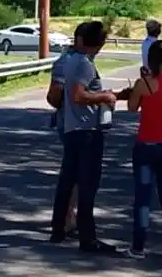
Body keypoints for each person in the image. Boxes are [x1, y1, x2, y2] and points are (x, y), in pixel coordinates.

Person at [49, 21, 121, 254]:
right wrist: (103, 97)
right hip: (87, 129)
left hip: (72, 127)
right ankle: (87, 237)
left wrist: (107, 95)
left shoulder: (70, 61)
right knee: (87, 184)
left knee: (68, 180)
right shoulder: (85, 65)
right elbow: (79, 96)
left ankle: (58, 228)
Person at [123, 40, 162, 260]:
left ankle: (138, 246)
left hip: (146, 143)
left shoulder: (144, 83)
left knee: (143, 198)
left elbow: (131, 107)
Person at [45, 22, 88, 239]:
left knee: (77, 174)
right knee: (72, 175)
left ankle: (69, 218)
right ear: (80, 40)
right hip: (71, 124)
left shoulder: (83, 60)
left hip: (81, 124)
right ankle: (66, 220)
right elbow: (54, 95)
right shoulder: (67, 62)